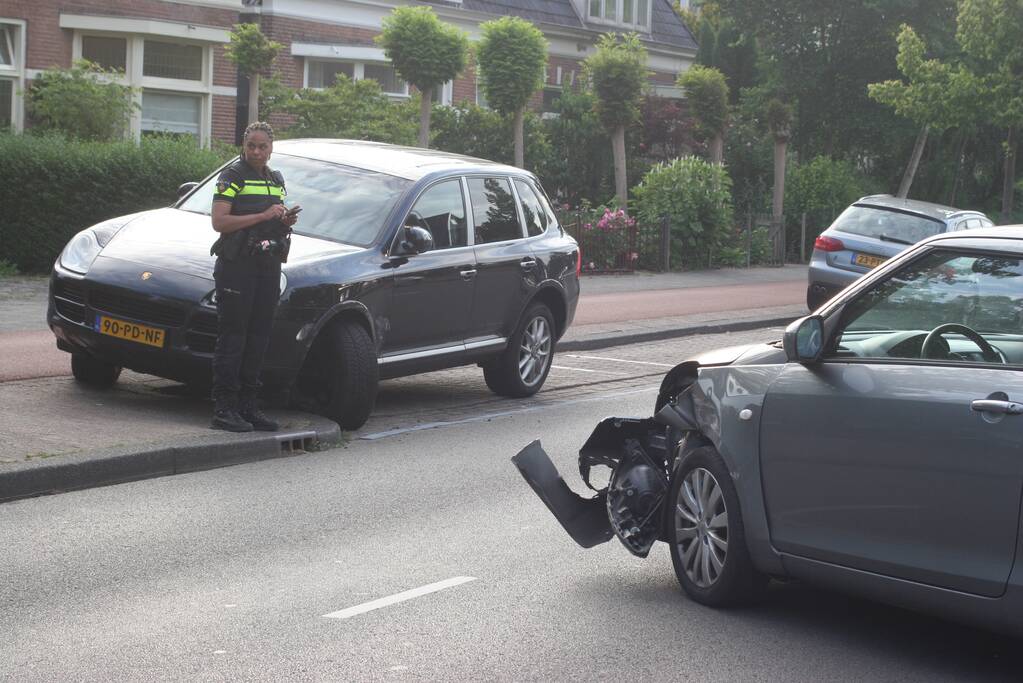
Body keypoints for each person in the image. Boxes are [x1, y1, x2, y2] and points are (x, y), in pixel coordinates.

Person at [209, 121, 298, 432]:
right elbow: (219, 222)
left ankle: (249, 407)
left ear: (271, 148)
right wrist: (263, 215)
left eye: (262, 146)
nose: (257, 152)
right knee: (233, 337)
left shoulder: (276, 179)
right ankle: (224, 409)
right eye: (251, 146)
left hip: (267, 265)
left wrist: (284, 220)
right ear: (243, 146)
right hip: (237, 266)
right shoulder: (232, 176)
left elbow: (272, 222)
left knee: (259, 337)